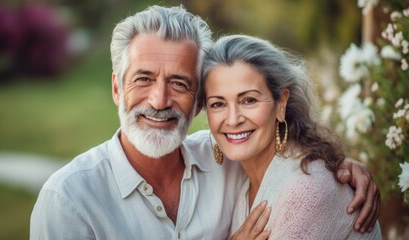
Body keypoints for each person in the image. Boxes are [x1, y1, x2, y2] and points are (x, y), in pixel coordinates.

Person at [30, 5, 379, 239]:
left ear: (196, 102)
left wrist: (339, 170)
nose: (160, 100)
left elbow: (299, 180)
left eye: (179, 83)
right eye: (143, 79)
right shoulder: (69, 200)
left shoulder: (227, 160)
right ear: (117, 88)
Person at [201, 34, 382, 239]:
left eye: (249, 100)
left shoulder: (304, 192)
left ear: (281, 103)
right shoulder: (244, 177)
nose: (233, 120)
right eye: (218, 104)